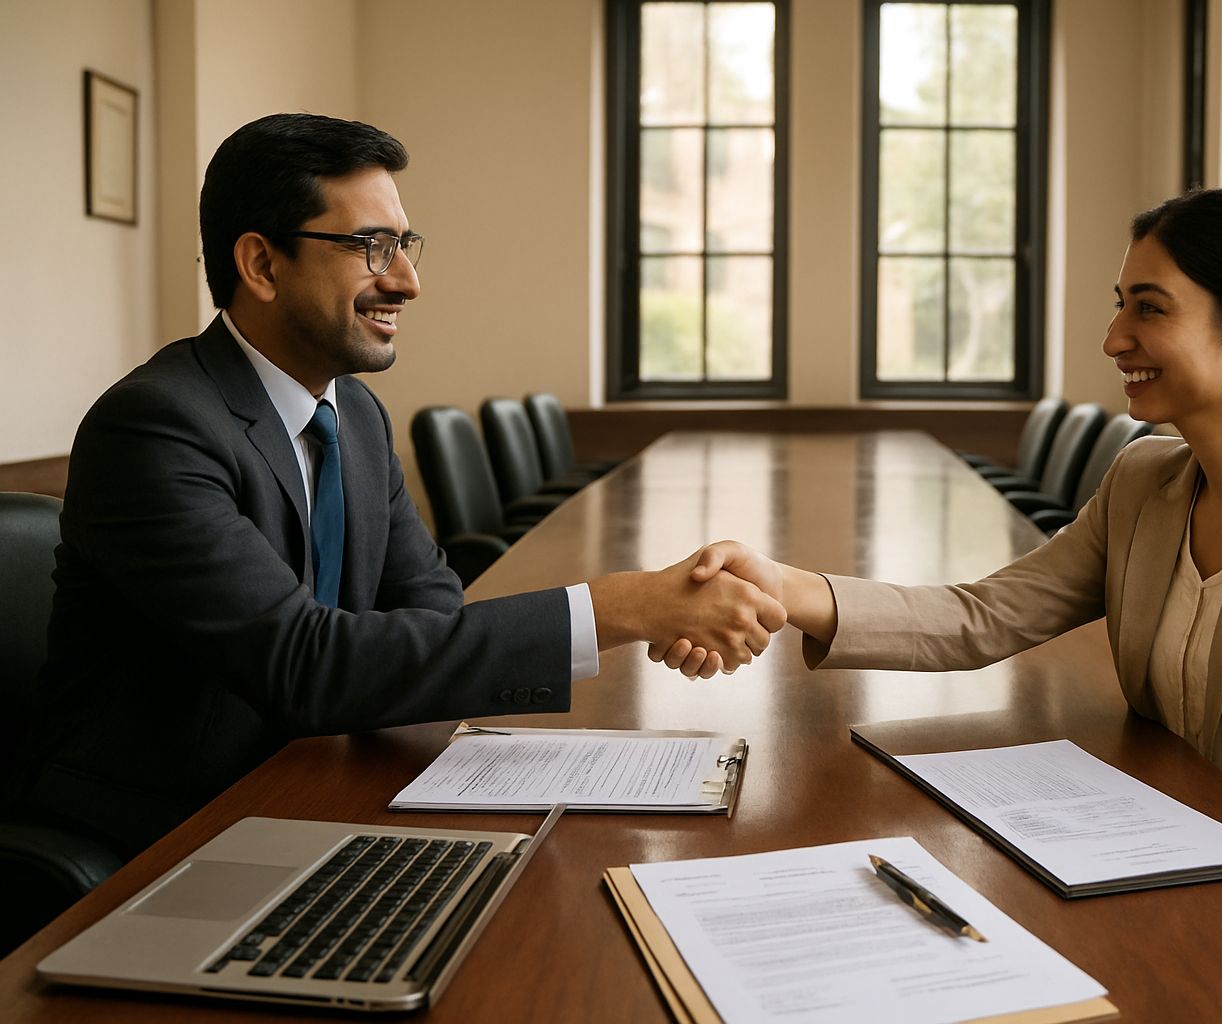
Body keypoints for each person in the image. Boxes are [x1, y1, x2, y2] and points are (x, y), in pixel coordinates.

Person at [660, 188, 1222, 979]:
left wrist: (1139, 815)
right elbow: (983, 616)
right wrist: (781, 585)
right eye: (1119, 306)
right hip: (1202, 882)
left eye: (1149, 309)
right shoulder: (1147, 479)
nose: (1114, 340)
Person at [12, 113, 785, 860]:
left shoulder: (354, 415)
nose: (407, 281)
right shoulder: (154, 426)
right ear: (261, 264)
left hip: (315, 791)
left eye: (404, 244)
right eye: (372, 246)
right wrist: (619, 608)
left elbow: (430, 610)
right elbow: (305, 668)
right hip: (166, 834)